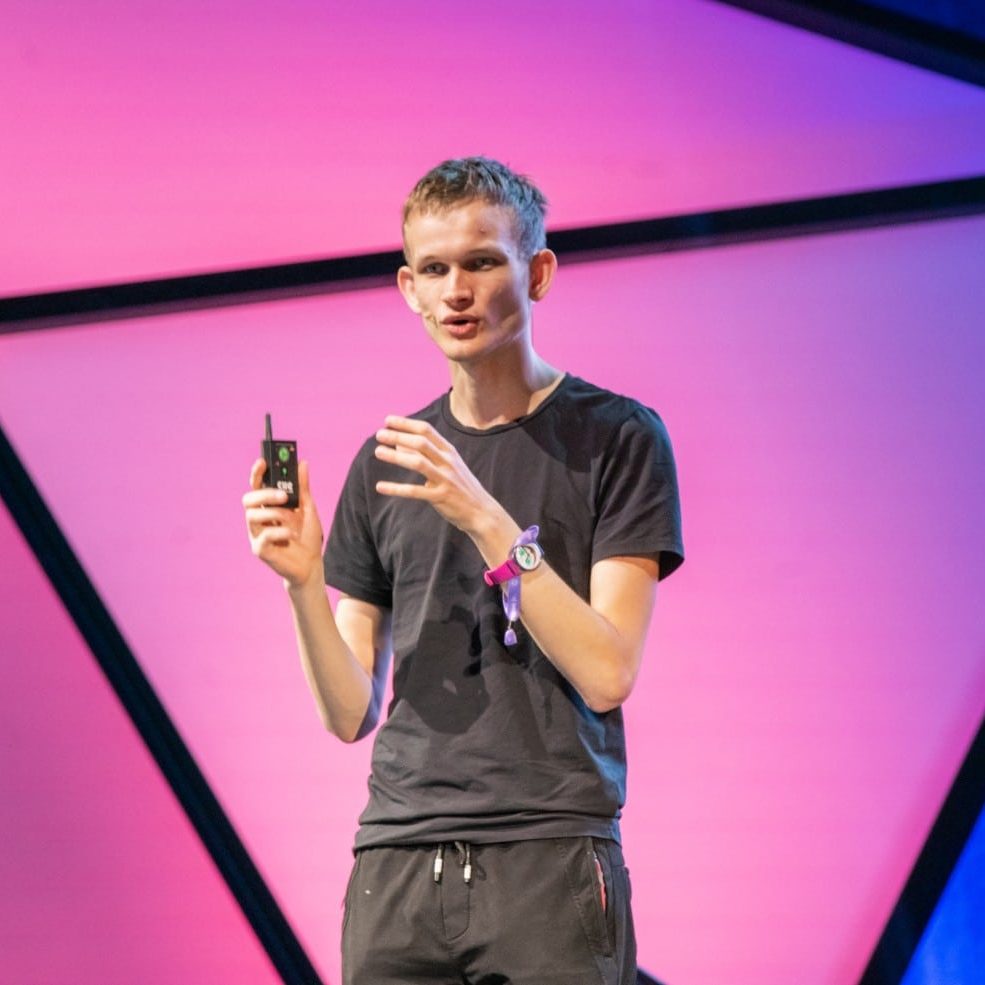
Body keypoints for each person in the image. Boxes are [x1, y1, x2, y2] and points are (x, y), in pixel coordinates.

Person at [243, 156, 684, 985]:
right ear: (407, 288)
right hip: (397, 859)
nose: (456, 292)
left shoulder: (618, 437)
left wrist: (487, 520)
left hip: (548, 849)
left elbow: (607, 670)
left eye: (481, 262)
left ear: (537, 273)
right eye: (435, 270)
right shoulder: (389, 460)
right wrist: (302, 584)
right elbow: (349, 712)